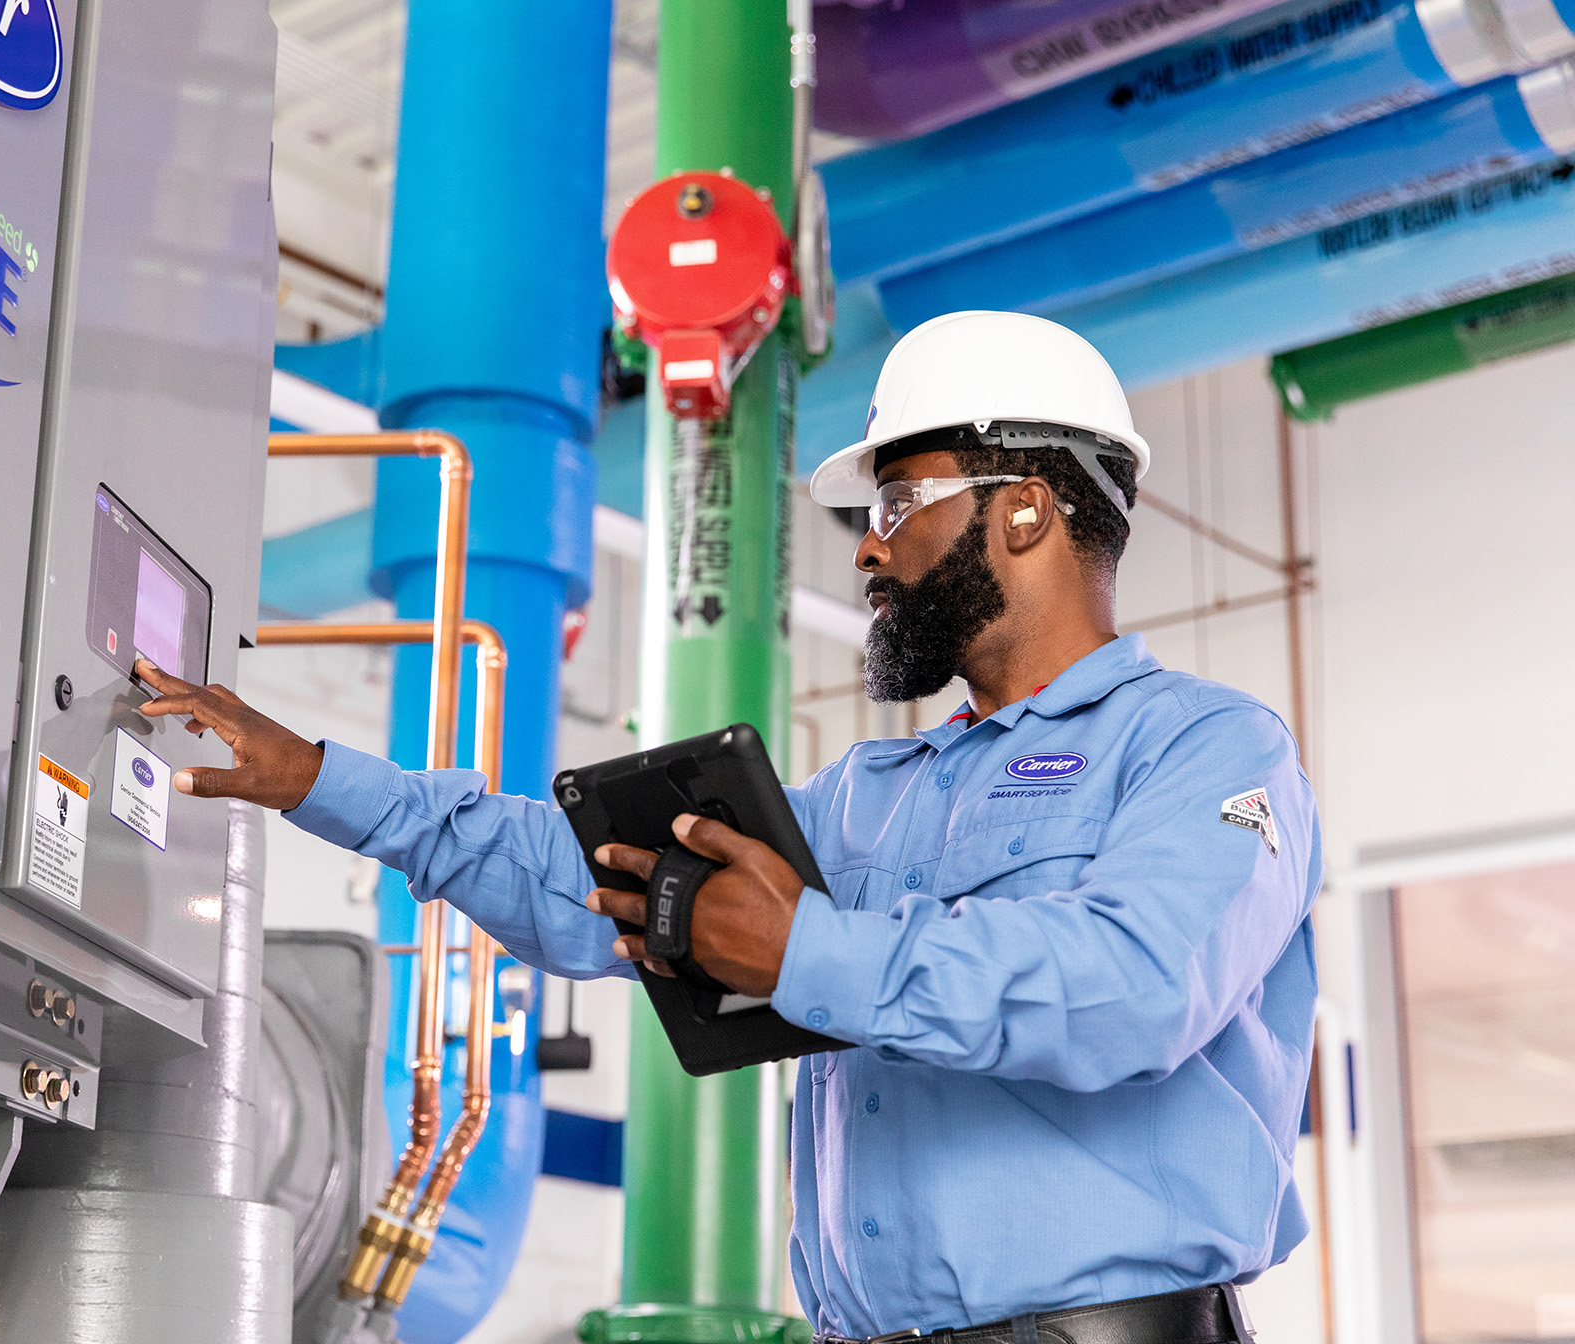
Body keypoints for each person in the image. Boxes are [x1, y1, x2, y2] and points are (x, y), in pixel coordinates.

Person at [134, 311, 1320, 1344]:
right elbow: (585, 880)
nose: (867, 543)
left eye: (900, 500)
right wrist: (320, 780)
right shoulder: (871, 794)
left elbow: (1132, 987)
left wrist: (804, 949)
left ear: (1023, 512)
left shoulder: (1209, 748)